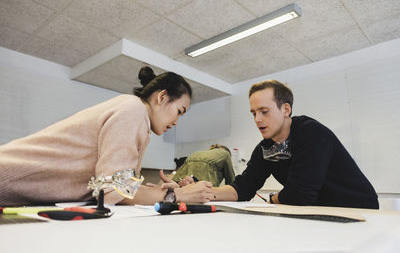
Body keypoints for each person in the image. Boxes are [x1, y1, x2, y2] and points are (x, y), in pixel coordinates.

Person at [0, 66, 214, 206]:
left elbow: (119, 186)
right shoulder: (133, 110)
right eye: (179, 111)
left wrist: (156, 191)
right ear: (162, 97)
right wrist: (176, 197)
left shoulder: (137, 116)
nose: (177, 122)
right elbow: (113, 192)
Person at [211, 79, 379, 209]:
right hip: (319, 210)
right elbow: (244, 187)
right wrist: (205, 193)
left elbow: (299, 194)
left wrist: (274, 199)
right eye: (253, 113)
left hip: (358, 209)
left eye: (264, 111)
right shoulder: (265, 148)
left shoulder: (311, 133)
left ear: (286, 109)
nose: (257, 119)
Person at [171, 144, 235, 187]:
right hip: (204, 174)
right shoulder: (226, 153)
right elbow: (230, 178)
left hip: (186, 169)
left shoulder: (199, 152)